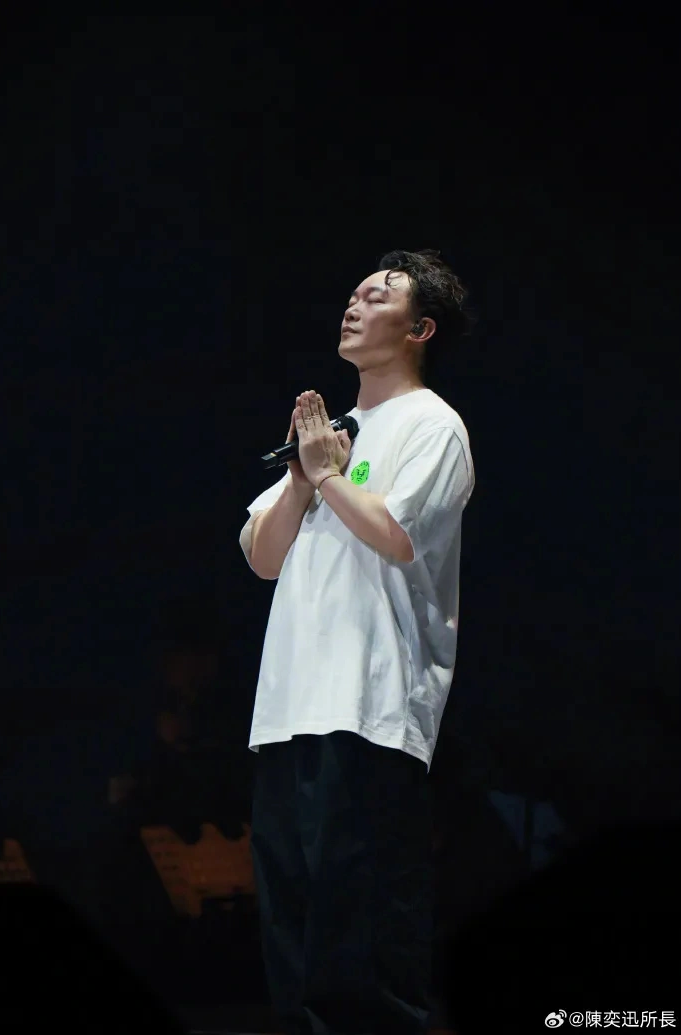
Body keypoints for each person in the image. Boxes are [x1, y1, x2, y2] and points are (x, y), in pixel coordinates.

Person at [238, 249, 475, 1035]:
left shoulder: (433, 425)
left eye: (378, 297)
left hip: (370, 712)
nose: (355, 304)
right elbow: (261, 556)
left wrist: (331, 477)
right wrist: (303, 478)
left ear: (420, 329)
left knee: (363, 934)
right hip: (287, 712)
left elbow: (398, 535)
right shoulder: (330, 435)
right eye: (354, 293)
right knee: (293, 929)